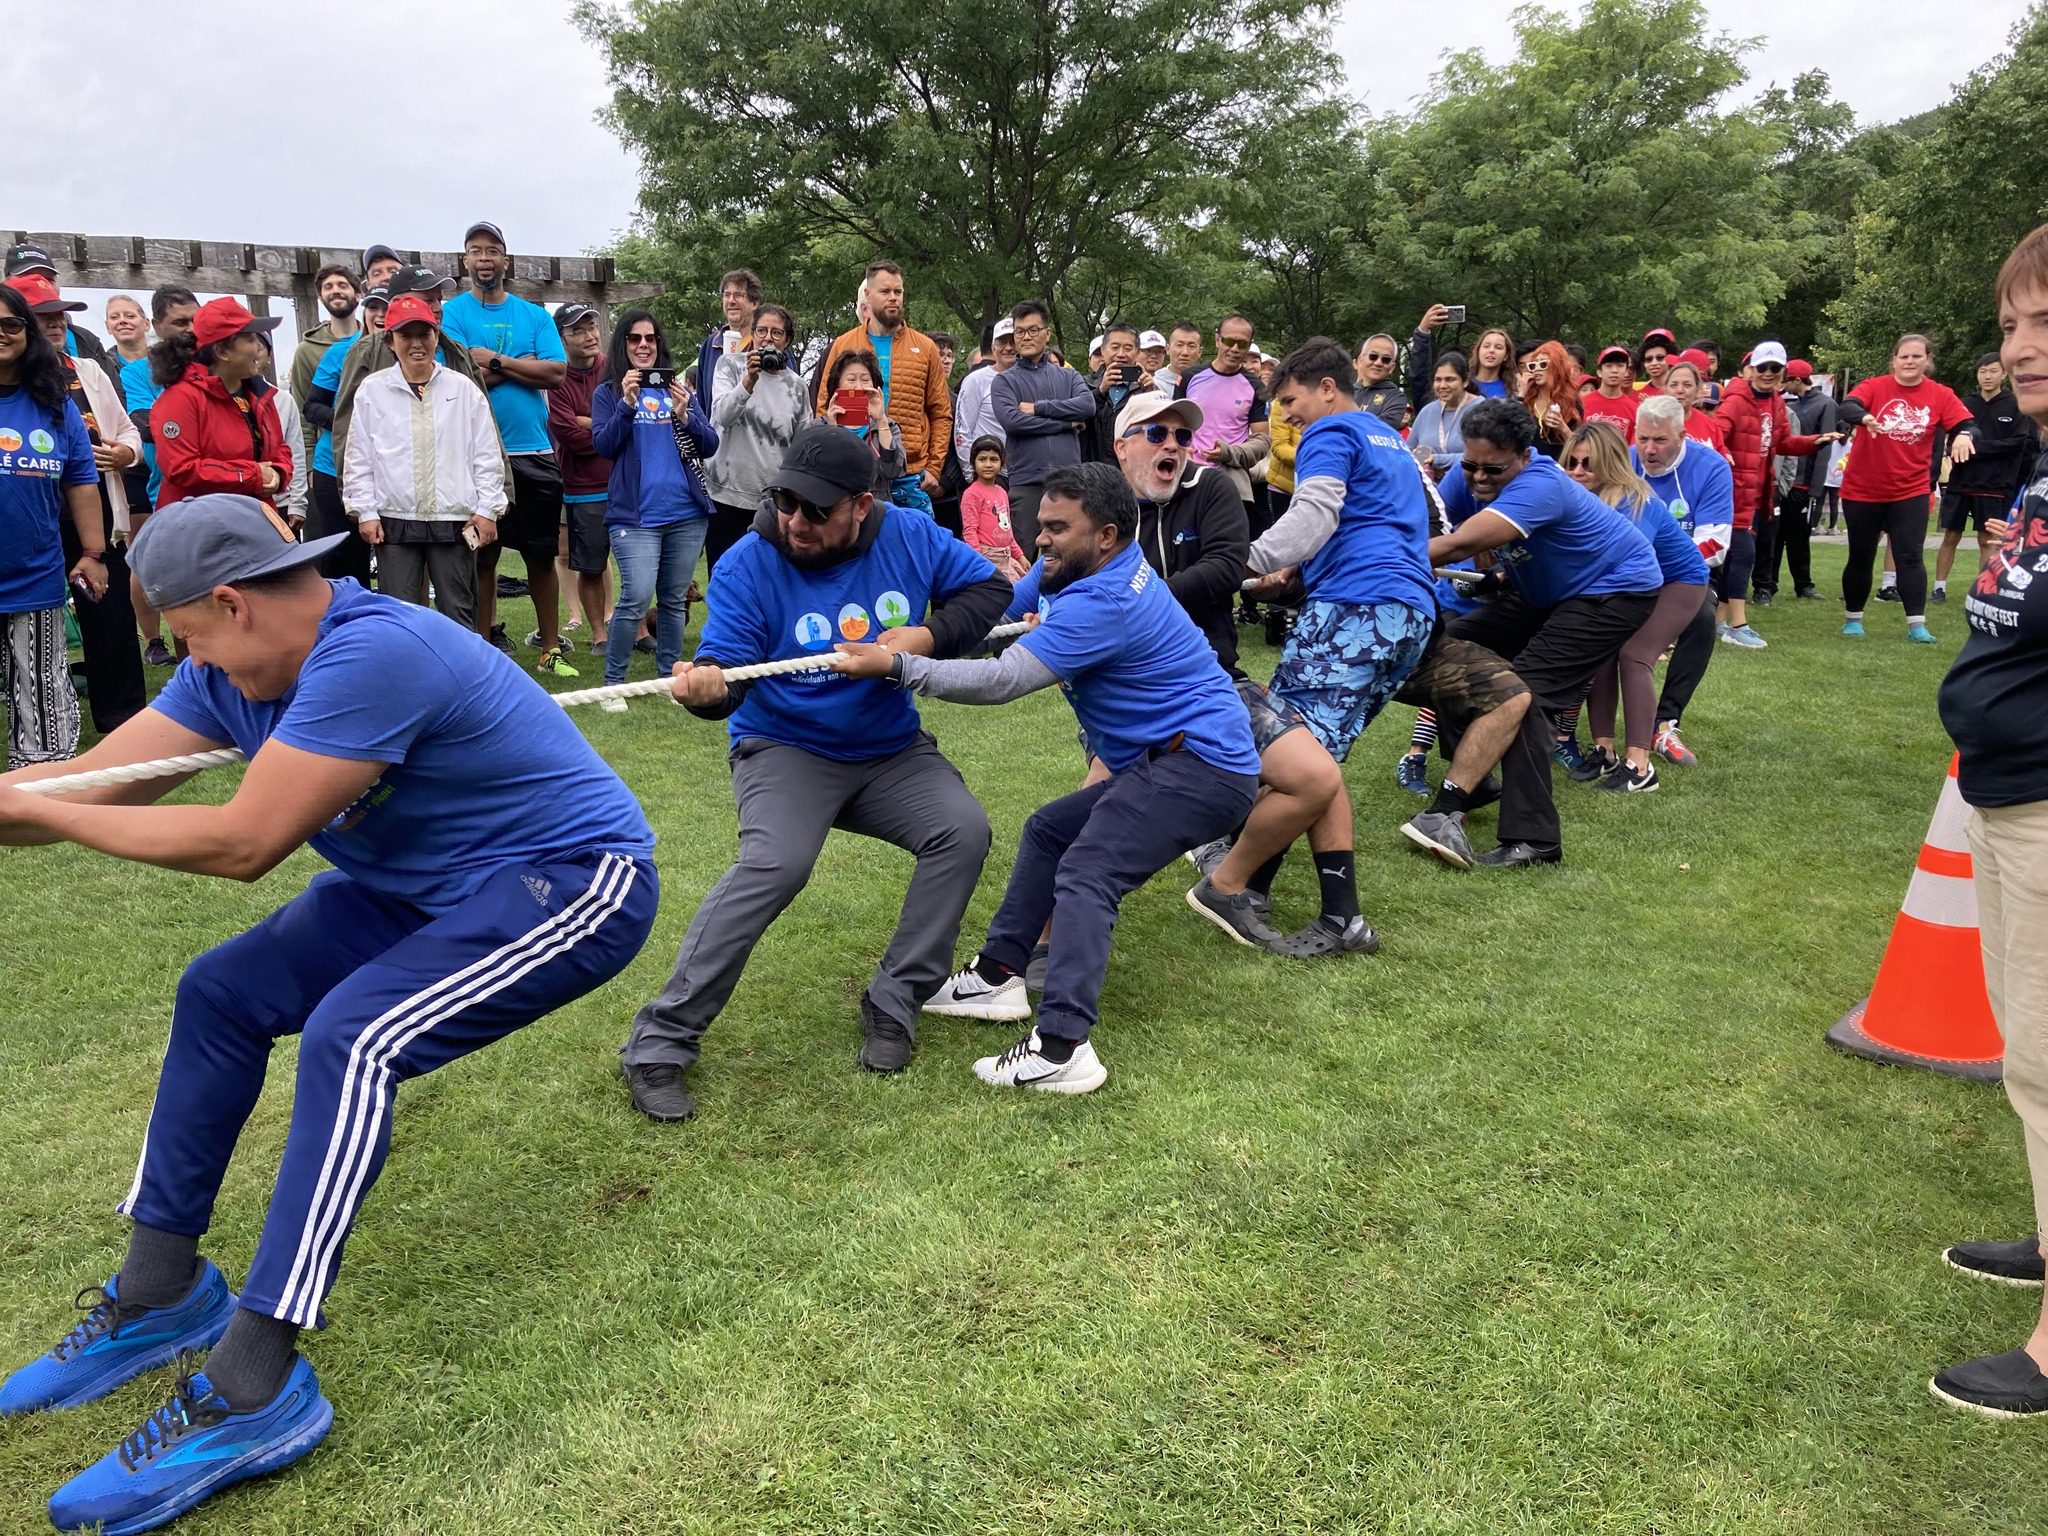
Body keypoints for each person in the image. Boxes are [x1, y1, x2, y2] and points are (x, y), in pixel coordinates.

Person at [0, 495, 657, 1530]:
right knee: (220, 993)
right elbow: (87, 785)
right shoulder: (233, 673)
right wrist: (20, 801)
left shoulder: (374, 653)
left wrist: (43, 809)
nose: (192, 666)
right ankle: (160, 1290)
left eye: (189, 641)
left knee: (355, 1037)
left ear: (230, 603)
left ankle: (255, 1385)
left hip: (568, 882)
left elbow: (241, 844)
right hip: (414, 887)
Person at [621, 425, 1010, 1119]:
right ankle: (660, 1040)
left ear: (862, 505)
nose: (795, 522)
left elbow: (986, 592)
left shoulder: (909, 534)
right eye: (785, 503)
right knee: (776, 864)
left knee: (963, 830)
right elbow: (729, 671)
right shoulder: (748, 563)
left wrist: (923, 637)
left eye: (816, 510)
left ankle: (895, 999)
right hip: (785, 748)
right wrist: (710, 690)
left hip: (890, 750)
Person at [844, 461, 1258, 1093]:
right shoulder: (1076, 563)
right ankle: (998, 976)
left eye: (1058, 529)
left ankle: (1064, 1047)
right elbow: (1005, 604)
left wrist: (900, 666)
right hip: (1165, 758)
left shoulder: (1106, 598)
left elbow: (1005, 679)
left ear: (1108, 535)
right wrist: (931, 633)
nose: (1041, 540)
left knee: (1089, 869)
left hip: (1201, 765)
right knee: (1049, 831)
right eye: (1041, 525)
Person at [1926, 221, 2048, 1419]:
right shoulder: (2045, 463)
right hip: (2005, 790)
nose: (2020, 345)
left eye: (2045, 320)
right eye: (2011, 321)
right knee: (2028, 1053)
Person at [1219, 339, 1435, 948]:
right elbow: (1384, 523)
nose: (1287, 416)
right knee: (1316, 757)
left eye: (1291, 400)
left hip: (1357, 609)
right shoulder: (1387, 438)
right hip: (1407, 615)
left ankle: (1240, 884)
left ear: (1327, 389)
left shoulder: (1330, 434)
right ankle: (1324, 909)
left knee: (1293, 753)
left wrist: (1235, 561)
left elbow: (1315, 514)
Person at [1421, 400, 1662, 866]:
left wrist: (1377, 559)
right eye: (1470, 465)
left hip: (1614, 591)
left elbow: (1460, 543)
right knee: (1450, 654)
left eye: (1494, 468)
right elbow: (1428, 519)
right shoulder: (1469, 474)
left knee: (1524, 695)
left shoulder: (1541, 484)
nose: (1478, 477)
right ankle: (1475, 780)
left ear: (1525, 457)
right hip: (1546, 592)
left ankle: (1534, 839)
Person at [8, 275, 148, 737]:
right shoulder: (15, 382)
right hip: (34, 516)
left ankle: (122, 719)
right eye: (42, 316)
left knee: (109, 617)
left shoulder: (86, 370)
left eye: (58, 315)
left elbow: (129, 431)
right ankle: (38, 719)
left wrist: (125, 453)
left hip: (94, 512)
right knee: (32, 624)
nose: (54, 324)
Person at [437, 222, 572, 673]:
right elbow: (457, 377)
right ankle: (482, 651)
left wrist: (494, 361)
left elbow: (555, 373)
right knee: (481, 555)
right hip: (477, 455)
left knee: (540, 555)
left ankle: (551, 649)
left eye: (492, 250)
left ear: (506, 260)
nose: (484, 259)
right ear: (465, 262)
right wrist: (522, 365)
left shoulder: (534, 315)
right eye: (475, 251)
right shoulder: (453, 314)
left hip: (532, 451)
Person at [1562, 421, 1710, 792]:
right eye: (1572, 463)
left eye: (1588, 464)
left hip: (1678, 582)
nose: (1578, 472)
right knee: (1600, 652)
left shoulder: (1632, 500)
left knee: (1634, 655)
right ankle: (1604, 751)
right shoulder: (1576, 495)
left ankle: (1640, 766)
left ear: (1610, 464)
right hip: (1635, 584)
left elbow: (1627, 562)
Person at [342, 295, 504, 629]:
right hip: (394, 520)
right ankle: (407, 680)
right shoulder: (372, 390)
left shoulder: (463, 389)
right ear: (390, 341)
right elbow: (359, 457)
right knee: (399, 615)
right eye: (406, 336)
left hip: (454, 518)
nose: (416, 344)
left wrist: (488, 509)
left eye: (424, 334)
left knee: (458, 613)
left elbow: (486, 454)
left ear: (436, 336)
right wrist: (366, 512)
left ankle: (460, 680)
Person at [0, 281, 107, 767]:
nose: (1, 334)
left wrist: (93, 553)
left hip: (34, 568)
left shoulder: (55, 400)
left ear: (27, 332)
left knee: (40, 676)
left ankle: (41, 769)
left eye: (10, 324)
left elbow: (82, 481)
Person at [589, 309, 717, 706]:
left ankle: (668, 680)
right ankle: (614, 684)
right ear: (622, 345)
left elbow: (709, 444)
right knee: (636, 596)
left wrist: (686, 416)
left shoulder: (676, 389)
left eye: (650, 338)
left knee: (674, 598)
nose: (643, 345)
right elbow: (604, 446)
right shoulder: (608, 393)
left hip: (685, 512)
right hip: (635, 516)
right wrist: (627, 404)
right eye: (634, 339)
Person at [1838, 332, 1979, 642]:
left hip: (1910, 491)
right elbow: (1846, 406)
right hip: (1863, 489)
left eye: (1917, 356)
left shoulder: (1940, 394)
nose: (1910, 361)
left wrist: (1965, 436)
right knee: (1861, 555)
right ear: (1894, 360)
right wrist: (1864, 417)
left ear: (1927, 361)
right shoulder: (1875, 386)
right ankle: (1853, 619)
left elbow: (1967, 423)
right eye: (1904, 356)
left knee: (1910, 557)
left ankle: (1917, 625)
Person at [1706, 340, 1836, 648]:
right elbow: (1716, 434)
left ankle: (1717, 623)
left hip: (1755, 494)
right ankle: (1738, 624)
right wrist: (1723, 451)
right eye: (1762, 367)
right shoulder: (1736, 401)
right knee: (1744, 555)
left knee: (1739, 557)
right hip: (1732, 494)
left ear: (1782, 372)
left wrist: (1815, 441)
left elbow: (1783, 443)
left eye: (1774, 368)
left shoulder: (1776, 402)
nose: (1767, 373)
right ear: (1751, 370)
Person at [1633, 393, 1733, 768]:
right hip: (1625, 573)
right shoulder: (1625, 462)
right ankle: (1568, 727)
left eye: (1659, 440)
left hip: (1683, 576)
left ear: (1682, 436)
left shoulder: (1711, 467)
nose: (1649, 449)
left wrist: (1655, 564)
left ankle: (1664, 723)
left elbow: (1716, 542)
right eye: (1643, 438)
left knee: (1703, 617)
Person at [810, 260, 952, 513]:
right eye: (885, 292)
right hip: (854, 471)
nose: (893, 298)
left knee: (916, 548)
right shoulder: (843, 344)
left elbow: (940, 411)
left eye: (898, 292)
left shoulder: (926, 347)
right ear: (868, 295)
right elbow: (823, 404)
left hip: (911, 472)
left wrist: (934, 468)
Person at [147, 298, 291, 512]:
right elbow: (181, 468)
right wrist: (252, 475)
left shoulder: (259, 394)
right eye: (250, 339)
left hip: (254, 520)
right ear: (222, 352)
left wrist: (278, 474)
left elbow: (279, 448)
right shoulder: (180, 399)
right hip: (199, 528)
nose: (260, 348)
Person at [707, 302, 809, 570]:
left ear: (787, 341)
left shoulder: (797, 386)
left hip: (773, 500)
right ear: (751, 335)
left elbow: (802, 443)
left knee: (770, 575)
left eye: (776, 333)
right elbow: (721, 417)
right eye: (761, 331)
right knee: (725, 572)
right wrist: (748, 382)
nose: (768, 338)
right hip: (726, 495)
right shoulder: (729, 366)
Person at [989, 299, 1095, 547]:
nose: (1026, 337)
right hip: (1026, 481)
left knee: (1071, 552)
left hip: (1069, 479)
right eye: (1020, 331)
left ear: (1047, 334)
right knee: (1023, 556)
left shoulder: (1069, 375)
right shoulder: (1004, 382)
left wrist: (1039, 408)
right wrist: (1066, 424)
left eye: (1033, 330)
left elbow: (1087, 406)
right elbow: (1014, 422)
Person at [1934, 352, 2035, 603]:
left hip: (1995, 484)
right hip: (1961, 480)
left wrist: (1976, 449)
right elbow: (1951, 438)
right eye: (1982, 371)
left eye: (1992, 371)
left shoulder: (2015, 403)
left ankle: (1984, 589)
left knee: (1986, 538)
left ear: (2004, 374)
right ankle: (1938, 588)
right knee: (1950, 535)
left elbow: (2017, 442)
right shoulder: (1964, 404)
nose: (1987, 376)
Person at [546, 303, 614, 642]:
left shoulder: (614, 369)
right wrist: (607, 429)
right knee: (589, 564)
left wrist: (591, 423)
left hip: (622, 483)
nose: (590, 335)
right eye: (578, 330)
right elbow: (566, 434)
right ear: (562, 338)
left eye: (592, 327)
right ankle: (599, 634)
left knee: (634, 565)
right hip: (581, 487)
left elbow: (628, 426)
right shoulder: (556, 377)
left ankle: (631, 628)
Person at [1765, 358, 1836, 603]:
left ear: (1797, 380)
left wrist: (1816, 487)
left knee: (1798, 537)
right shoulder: (1791, 404)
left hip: (1804, 483)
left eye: (1786, 380)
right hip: (1783, 479)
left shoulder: (1825, 404)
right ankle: (1769, 583)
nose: (1783, 385)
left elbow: (1824, 446)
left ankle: (1803, 584)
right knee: (1774, 536)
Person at [287, 265, 361, 465]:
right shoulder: (307, 350)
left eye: (342, 285)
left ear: (358, 294)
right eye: (328, 287)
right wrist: (309, 464)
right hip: (329, 458)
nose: (335, 290)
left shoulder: (372, 343)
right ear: (320, 297)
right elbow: (303, 411)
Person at [823, 348, 903, 491]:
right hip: (834, 506)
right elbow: (822, 471)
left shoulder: (889, 426)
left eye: (865, 380)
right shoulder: (819, 426)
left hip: (876, 506)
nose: (859, 386)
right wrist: (832, 430)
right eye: (851, 380)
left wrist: (881, 420)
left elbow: (892, 471)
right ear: (837, 385)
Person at [1084, 322, 1153, 463]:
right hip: (1092, 471)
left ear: (1138, 352)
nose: (1121, 354)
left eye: (1128, 348)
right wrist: (1100, 391)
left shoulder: (1147, 387)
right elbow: (1079, 421)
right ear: (1103, 350)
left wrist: (1150, 395)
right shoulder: (1084, 384)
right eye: (1115, 347)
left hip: (1131, 472)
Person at [695, 267, 760, 416]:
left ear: (754, 302)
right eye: (727, 295)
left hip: (756, 437)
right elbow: (703, 403)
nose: (731, 301)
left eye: (738, 295)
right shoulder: (710, 345)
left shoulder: (767, 344)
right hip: (718, 437)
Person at [961, 435, 1026, 578]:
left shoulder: (1002, 492)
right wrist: (978, 562)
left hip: (1006, 556)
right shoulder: (972, 494)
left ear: (1002, 463)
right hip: (987, 559)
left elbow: (1007, 530)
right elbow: (970, 531)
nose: (988, 464)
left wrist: (1019, 555)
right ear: (973, 462)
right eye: (982, 459)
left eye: (994, 459)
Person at [953, 317, 1014, 462]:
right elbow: (962, 431)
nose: (1008, 347)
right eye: (1002, 342)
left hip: (1025, 473)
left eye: (1013, 342)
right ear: (993, 348)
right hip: (989, 474)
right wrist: (972, 474)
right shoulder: (975, 380)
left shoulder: (1029, 379)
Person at [1409, 351, 1478, 475]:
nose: (1442, 385)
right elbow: (1407, 451)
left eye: (1450, 380)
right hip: (1428, 488)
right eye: (1438, 380)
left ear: (1466, 381)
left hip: (1469, 487)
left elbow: (1485, 456)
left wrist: (1437, 460)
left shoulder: (1482, 409)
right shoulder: (1427, 412)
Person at [1517, 340, 1581, 459]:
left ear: (1557, 366)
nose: (1537, 369)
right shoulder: (1526, 399)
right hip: (1528, 467)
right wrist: (1521, 393)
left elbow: (1580, 448)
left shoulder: (1572, 401)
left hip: (1558, 467)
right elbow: (1510, 432)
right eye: (1533, 366)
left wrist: (1562, 428)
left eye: (1543, 364)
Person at [1581, 346, 1639, 439]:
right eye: (1609, 366)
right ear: (1599, 372)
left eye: (1620, 366)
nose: (1614, 370)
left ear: (1626, 371)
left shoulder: (1634, 410)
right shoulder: (1582, 404)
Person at [1637, 328, 1678, 395]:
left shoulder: (1682, 393)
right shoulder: (1637, 396)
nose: (1654, 363)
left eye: (1660, 358)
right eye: (1649, 359)